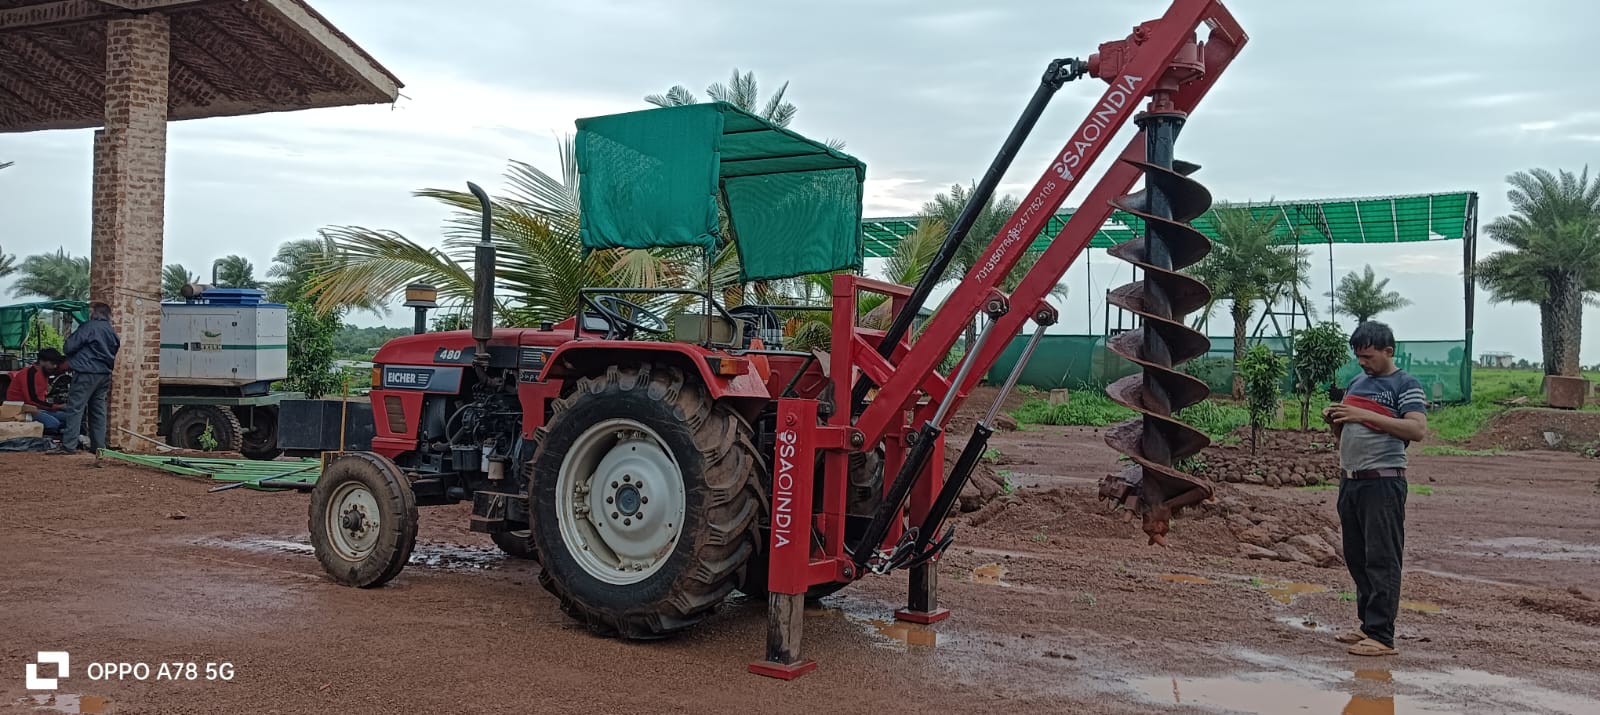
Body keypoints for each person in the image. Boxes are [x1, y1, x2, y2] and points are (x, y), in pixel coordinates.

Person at [1321, 321, 1428, 657]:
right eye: (1358, 356)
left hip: (1383, 482)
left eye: (1368, 356)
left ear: (1388, 351)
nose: (1362, 362)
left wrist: (1362, 414)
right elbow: (1346, 431)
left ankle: (1382, 636)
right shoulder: (1357, 383)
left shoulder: (1405, 384)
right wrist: (1336, 421)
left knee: (1382, 558)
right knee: (1358, 557)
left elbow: (1416, 429)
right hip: (1351, 480)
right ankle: (1368, 625)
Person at [53, 302, 120, 455]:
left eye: (91, 312)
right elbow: (115, 347)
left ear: (95, 313)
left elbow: (69, 347)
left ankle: (69, 445)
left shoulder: (89, 327)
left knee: (75, 408)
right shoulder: (111, 331)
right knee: (98, 410)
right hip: (104, 374)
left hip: (86, 372)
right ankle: (99, 447)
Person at [5, 347, 69, 434]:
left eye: (56, 364)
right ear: (42, 361)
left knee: (68, 418)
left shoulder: (44, 372)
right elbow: (32, 400)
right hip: (22, 409)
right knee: (53, 424)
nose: (54, 366)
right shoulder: (29, 374)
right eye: (52, 363)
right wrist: (58, 406)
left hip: (36, 407)